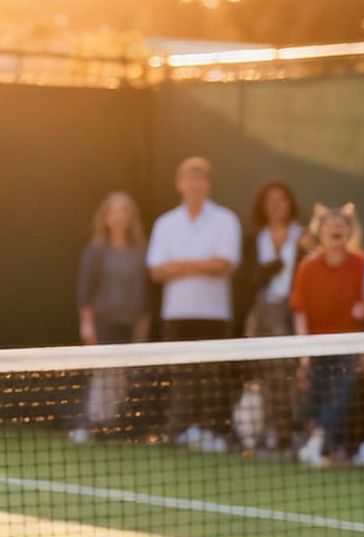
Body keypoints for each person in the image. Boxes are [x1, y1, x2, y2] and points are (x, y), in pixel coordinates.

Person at [145, 155, 242, 449]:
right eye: (189, 177)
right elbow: (156, 270)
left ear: (208, 184)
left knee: (213, 378)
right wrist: (201, 264)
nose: (194, 183)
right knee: (181, 376)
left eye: (200, 177)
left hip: (214, 314)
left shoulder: (226, 219)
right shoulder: (165, 223)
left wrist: (180, 266)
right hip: (176, 315)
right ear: (179, 183)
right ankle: (178, 432)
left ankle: (214, 433)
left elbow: (224, 264)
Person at [290, 203, 364, 466]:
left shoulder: (363, 264)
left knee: (342, 395)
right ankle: (318, 442)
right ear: (320, 231)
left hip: (350, 346)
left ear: (350, 231)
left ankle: (320, 442)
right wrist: (304, 352)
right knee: (316, 395)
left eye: (342, 224)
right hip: (316, 346)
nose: (336, 228)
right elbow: (300, 310)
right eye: (330, 224)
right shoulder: (307, 267)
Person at [74, 191, 150, 440]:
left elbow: (145, 293)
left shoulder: (140, 252)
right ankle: (92, 424)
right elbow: (85, 290)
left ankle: (113, 425)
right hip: (103, 320)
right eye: (113, 211)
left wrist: (142, 327)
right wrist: (87, 324)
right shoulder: (95, 251)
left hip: (129, 322)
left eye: (124, 210)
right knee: (104, 374)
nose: (119, 216)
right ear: (105, 217)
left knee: (122, 376)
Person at [239, 179, 303, 451]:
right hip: (262, 315)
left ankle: (290, 432)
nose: (276, 206)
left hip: (292, 313)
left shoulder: (303, 235)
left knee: (289, 374)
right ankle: (268, 431)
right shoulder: (255, 239)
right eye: (270, 201)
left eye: (282, 199)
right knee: (265, 374)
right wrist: (269, 268)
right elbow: (248, 279)